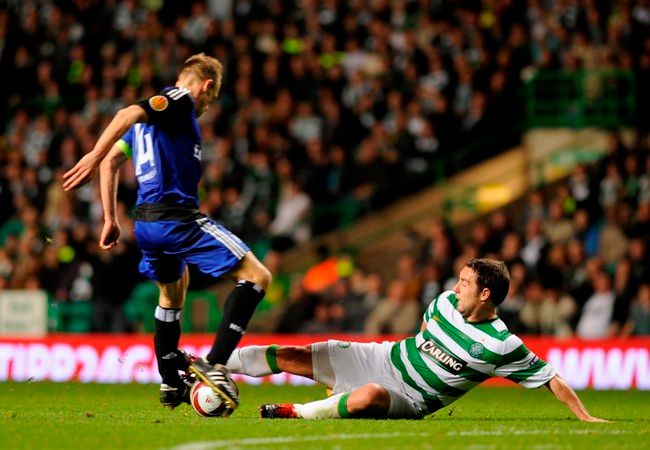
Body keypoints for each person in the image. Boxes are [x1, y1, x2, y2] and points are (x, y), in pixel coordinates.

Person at [62, 54, 272, 412]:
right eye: (211, 98)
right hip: (178, 220)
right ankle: (215, 363)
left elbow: (115, 162)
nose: (206, 106)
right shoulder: (179, 100)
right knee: (258, 276)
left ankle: (170, 380)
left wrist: (110, 218)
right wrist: (93, 154)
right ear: (206, 86)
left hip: (146, 225)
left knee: (172, 296)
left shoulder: (151, 125)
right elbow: (124, 117)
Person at [227, 258, 607, 422]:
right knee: (296, 354)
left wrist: (584, 416)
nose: (456, 287)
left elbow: (550, 377)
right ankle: (213, 364)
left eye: (465, 283)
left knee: (369, 397)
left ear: (486, 295)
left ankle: (293, 412)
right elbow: (424, 335)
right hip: (384, 358)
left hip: (409, 398)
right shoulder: (443, 302)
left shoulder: (500, 345)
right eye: (458, 279)